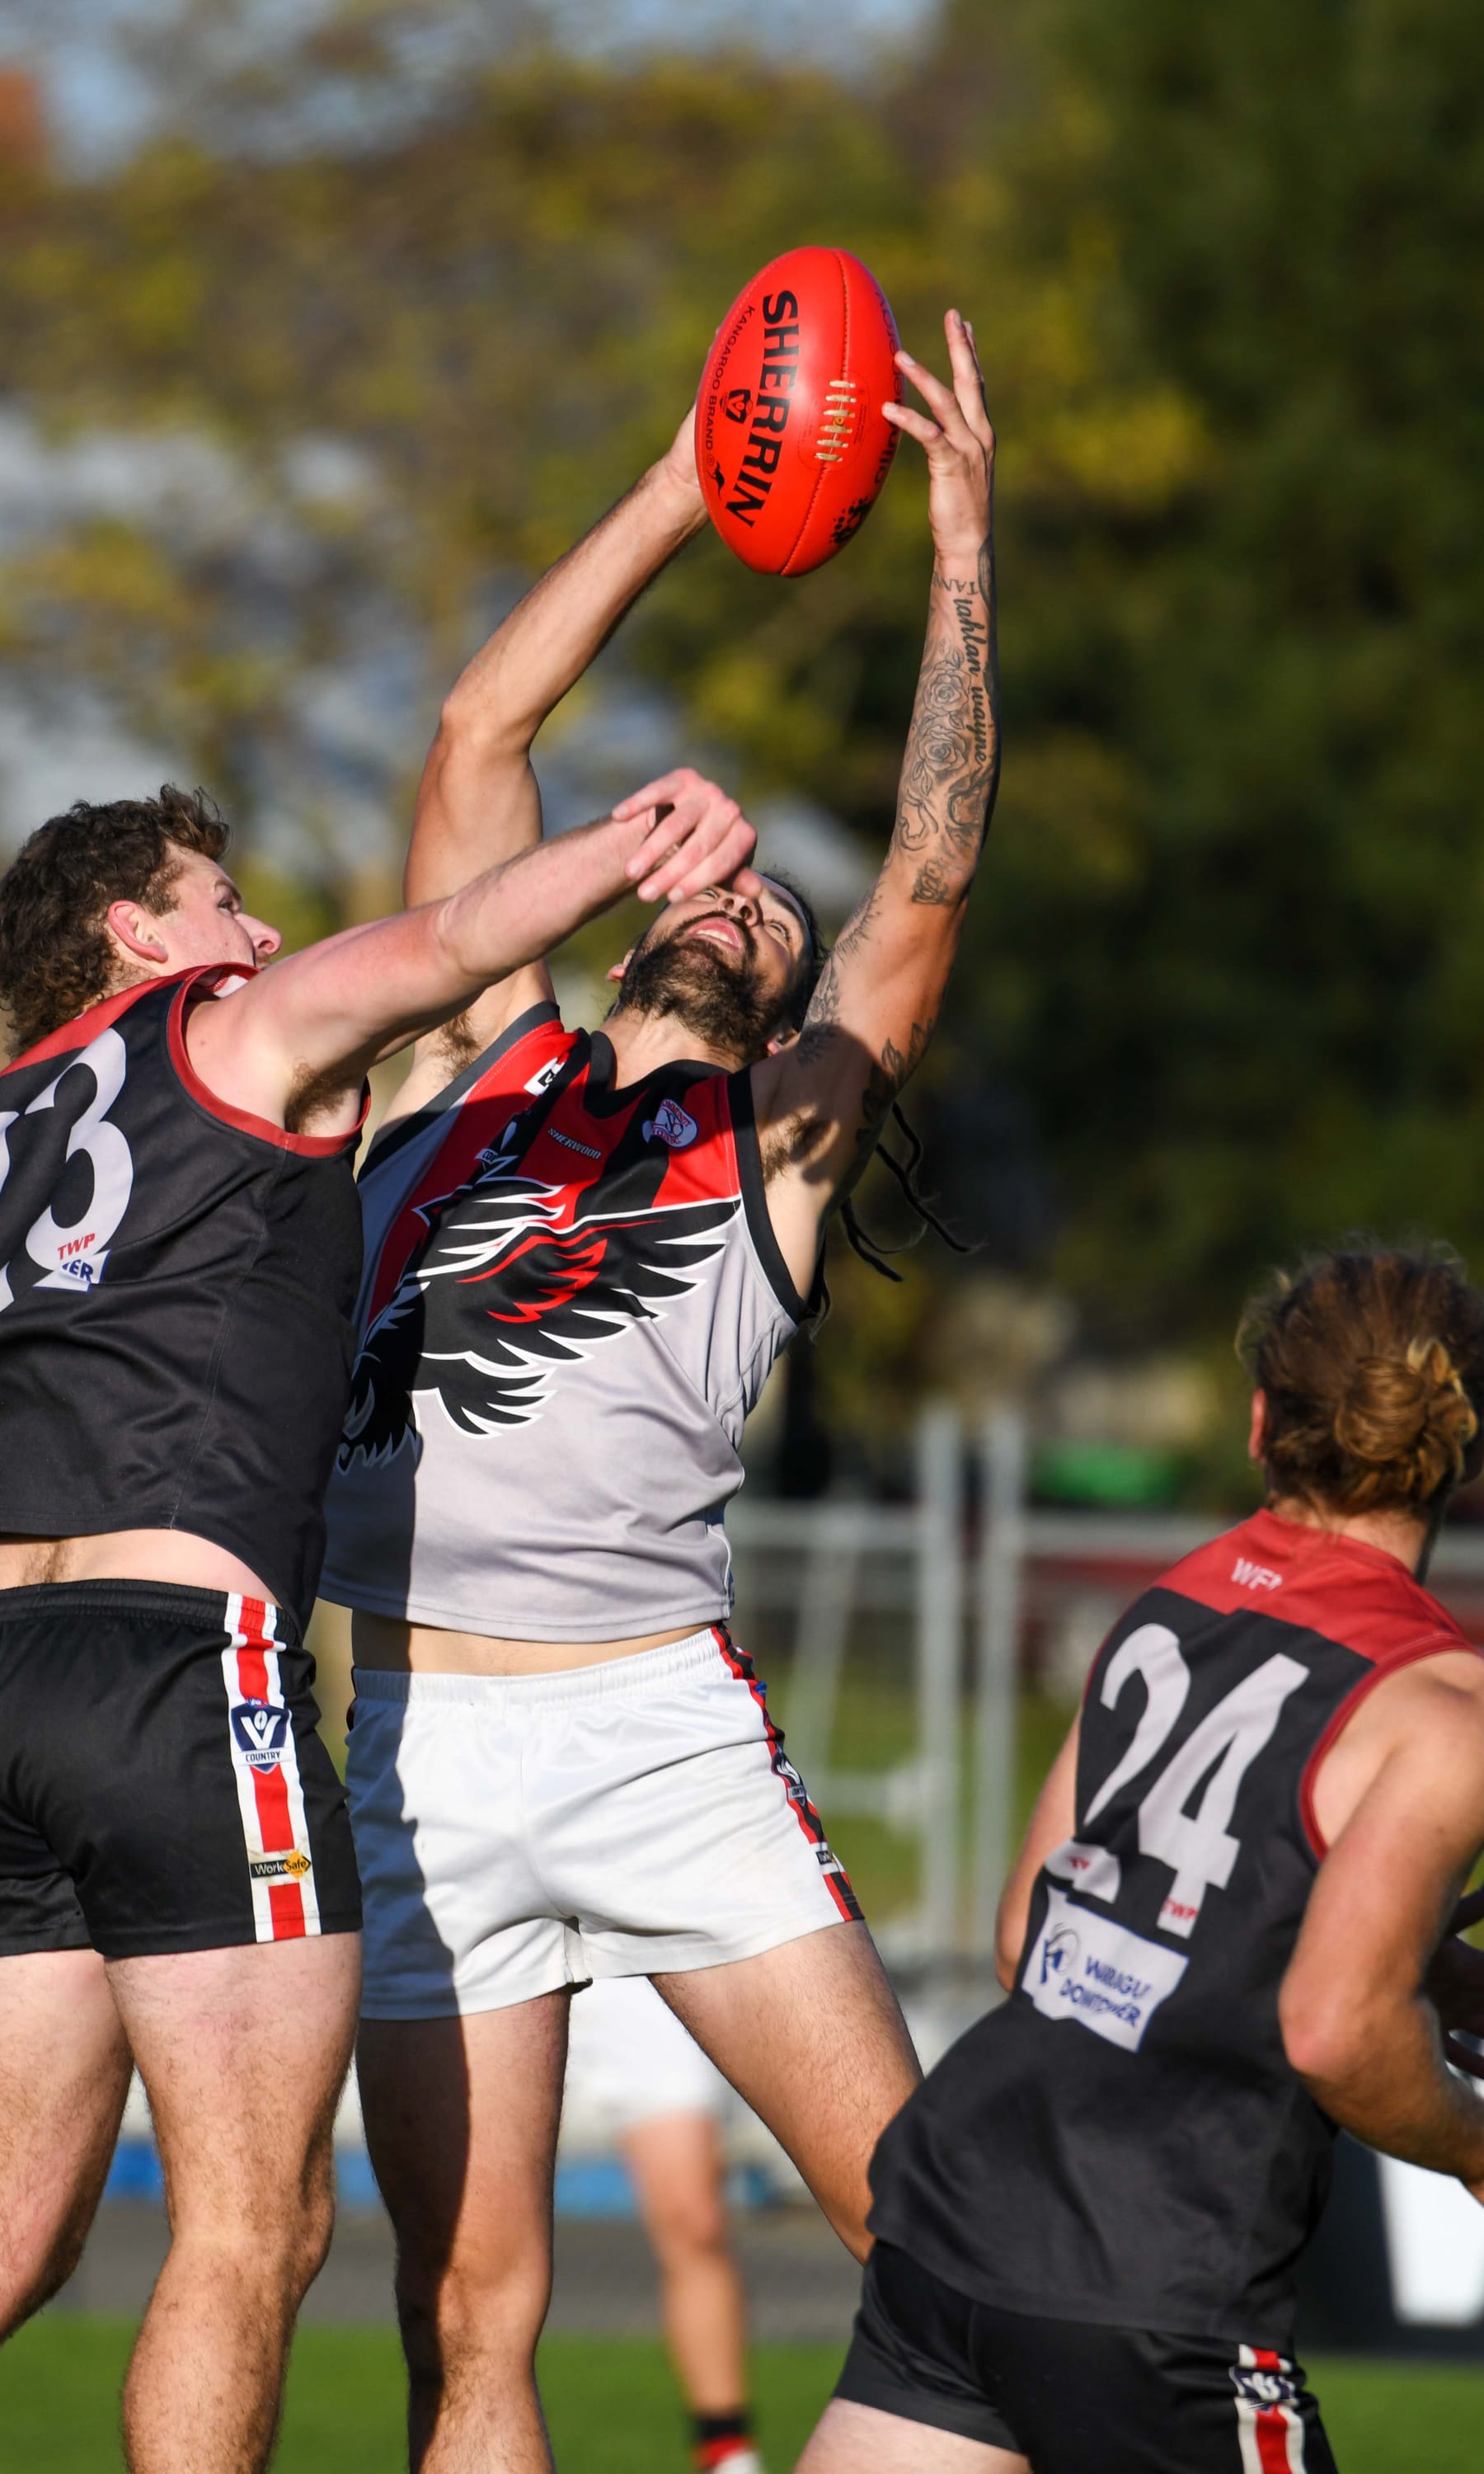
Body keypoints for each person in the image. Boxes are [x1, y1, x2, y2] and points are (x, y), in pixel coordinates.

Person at [0, 776, 754, 2474]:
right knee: (251, 2233)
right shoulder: (227, 1036)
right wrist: (630, 852)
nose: (255, 932)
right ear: (134, 932)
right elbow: (457, 940)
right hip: (181, 1680)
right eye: (221, 897)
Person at [319, 310, 998, 2469]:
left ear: (785, 1003)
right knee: (470, 2329)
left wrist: (960, 540)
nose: (744, 913)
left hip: (655, 1730)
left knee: (941, 2246)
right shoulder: (460, 1050)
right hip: (415, 1737)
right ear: (632, 920)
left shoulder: (774, 1151)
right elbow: (479, 723)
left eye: (773, 925)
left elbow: (933, 872)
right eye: (719, 888)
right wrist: (696, 478)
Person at [799, 1244, 1484, 2474]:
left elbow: (1034, 1934)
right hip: (1155, 2283)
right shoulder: (1441, 1709)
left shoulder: (1172, 1605)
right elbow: (1335, 2031)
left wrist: (1421, 1964)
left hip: (957, 2227)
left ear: (1264, 1421)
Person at [565, 1974, 763, 2474]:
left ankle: (727, 2456)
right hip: (473, 1922)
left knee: (694, 2219)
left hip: (629, 1955)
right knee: (472, 2252)